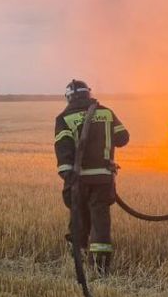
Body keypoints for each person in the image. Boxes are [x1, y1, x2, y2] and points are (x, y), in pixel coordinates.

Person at [54, 80, 130, 275]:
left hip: (78, 181)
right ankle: (101, 266)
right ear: (88, 94)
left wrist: (68, 177)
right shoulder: (105, 112)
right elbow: (123, 138)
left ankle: (78, 258)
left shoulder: (64, 118)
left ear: (69, 97)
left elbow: (63, 152)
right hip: (103, 179)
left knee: (78, 219)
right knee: (100, 221)